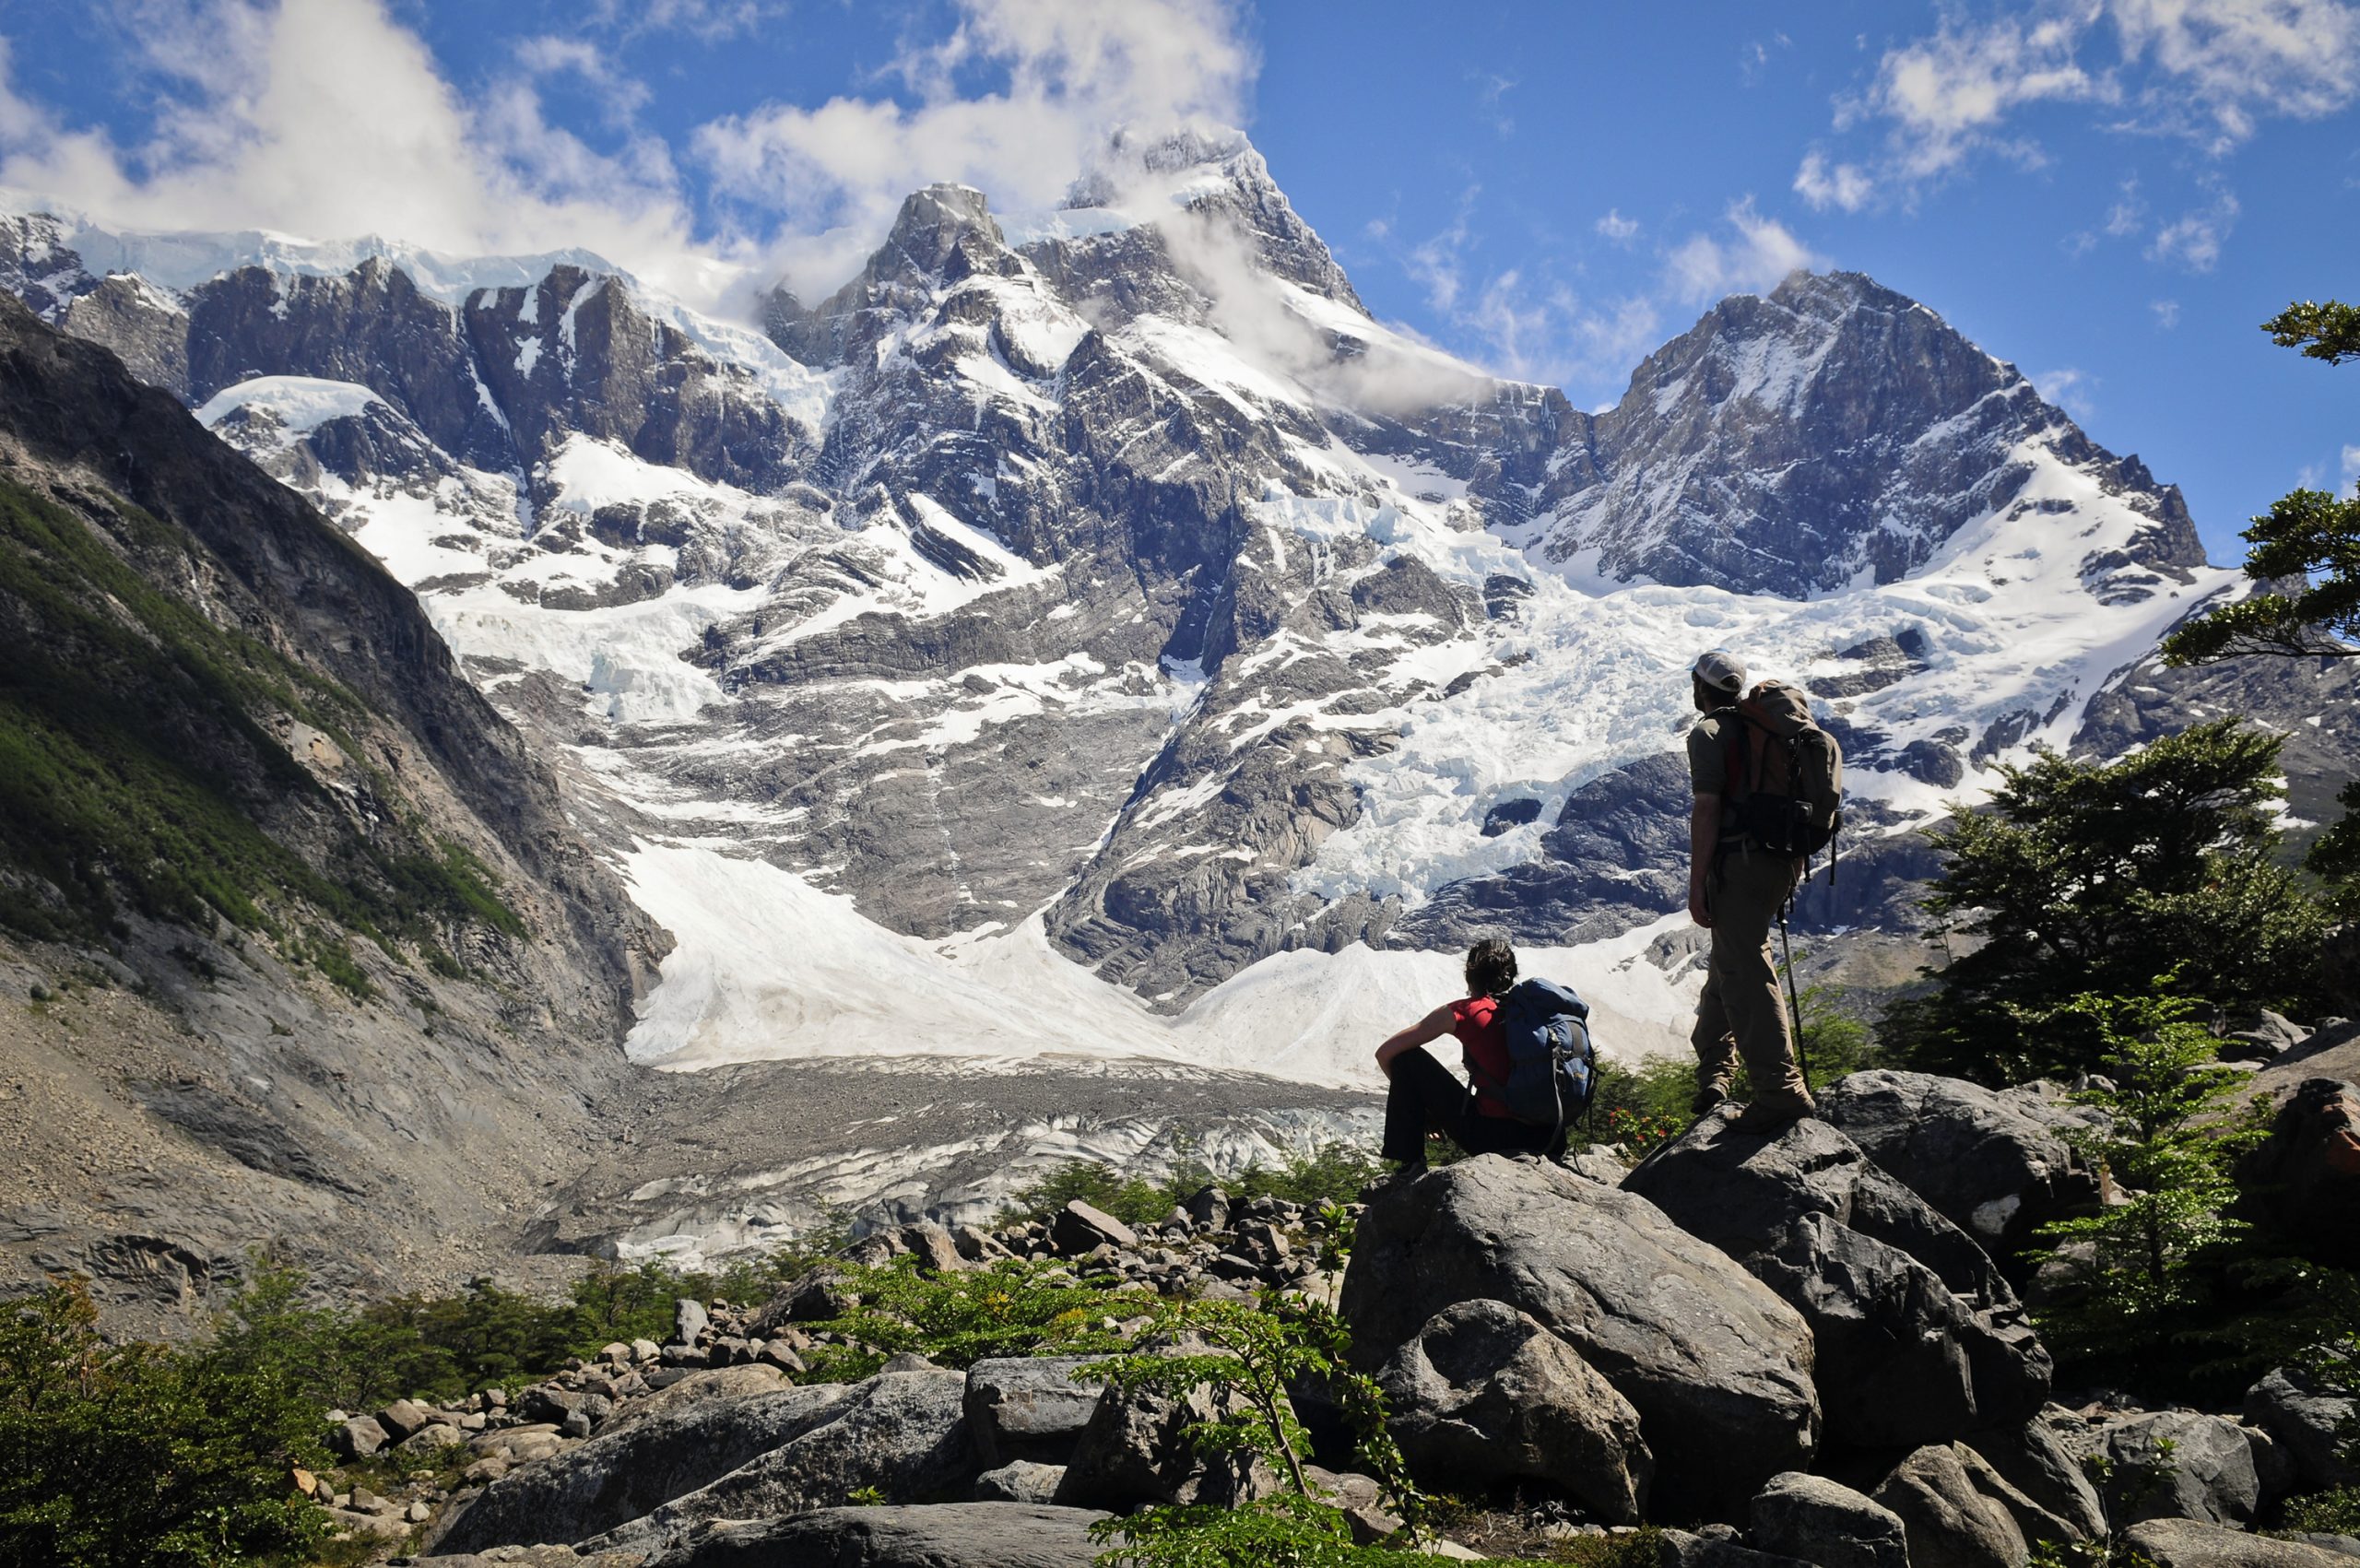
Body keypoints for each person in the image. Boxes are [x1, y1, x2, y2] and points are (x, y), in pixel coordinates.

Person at [1685, 648, 1817, 1130]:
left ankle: (1780, 1091)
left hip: (1740, 862)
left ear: (1702, 687)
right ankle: (1715, 1075)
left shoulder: (1710, 733)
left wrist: (1697, 883)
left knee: (1746, 972)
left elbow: (1707, 811)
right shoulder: (1761, 728)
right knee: (1729, 963)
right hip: (1780, 861)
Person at [1373, 937, 1563, 1173]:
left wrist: (1423, 1110)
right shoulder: (1534, 1011)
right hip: (1553, 1137)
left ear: (1469, 975)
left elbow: (1385, 1053)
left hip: (1496, 1138)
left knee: (1406, 1059)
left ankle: (1410, 1163)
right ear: (1511, 974)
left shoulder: (1466, 1011)